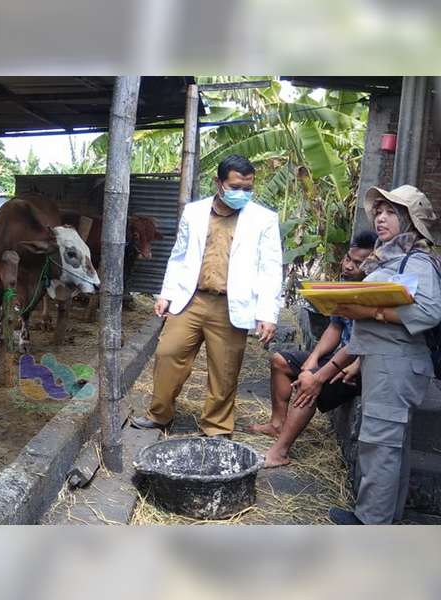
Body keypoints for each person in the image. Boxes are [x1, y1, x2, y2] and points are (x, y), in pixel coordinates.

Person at [292, 185, 441, 525]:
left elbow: (430, 311)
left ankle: (369, 523)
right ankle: (384, 518)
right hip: (385, 361)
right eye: (379, 212)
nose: (380, 218)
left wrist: (370, 312)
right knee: (389, 445)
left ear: (409, 220)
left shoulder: (416, 260)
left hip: (396, 365)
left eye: (391, 212)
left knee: (379, 443)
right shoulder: (391, 258)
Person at [131, 154, 283, 437]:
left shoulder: (263, 219)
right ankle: (159, 414)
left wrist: (267, 314)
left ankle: (216, 428)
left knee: (225, 369)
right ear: (218, 182)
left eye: (248, 188)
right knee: (168, 353)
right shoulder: (194, 212)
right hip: (191, 299)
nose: (242, 193)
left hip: (231, 305)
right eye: (235, 187)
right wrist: (166, 294)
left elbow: (271, 268)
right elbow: (179, 256)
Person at [250, 231, 378, 467]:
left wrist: (319, 373)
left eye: (358, 263)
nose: (348, 266)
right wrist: (314, 358)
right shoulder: (345, 284)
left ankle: (279, 453)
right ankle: (277, 424)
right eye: (348, 258)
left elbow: (361, 343)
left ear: (372, 265)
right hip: (341, 356)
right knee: (280, 361)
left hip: (361, 366)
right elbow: (335, 327)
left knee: (309, 383)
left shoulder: (374, 292)